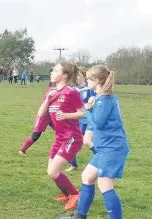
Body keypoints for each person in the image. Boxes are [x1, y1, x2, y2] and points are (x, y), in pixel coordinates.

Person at [60, 65, 129, 219]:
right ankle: (80, 216)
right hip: (106, 148)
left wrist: (86, 111)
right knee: (87, 176)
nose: (87, 81)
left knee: (104, 185)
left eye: (89, 79)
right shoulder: (103, 97)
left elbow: (98, 123)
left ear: (97, 80)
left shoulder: (103, 99)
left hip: (112, 148)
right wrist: (90, 108)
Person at [37, 61, 85, 210]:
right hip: (59, 137)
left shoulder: (70, 92)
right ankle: (67, 194)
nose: (51, 72)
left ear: (64, 75)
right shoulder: (52, 92)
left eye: (55, 70)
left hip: (72, 137)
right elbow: (41, 115)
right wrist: (47, 98)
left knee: (53, 171)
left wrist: (66, 115)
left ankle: (75, 194)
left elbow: (83, 113)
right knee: (51, 171)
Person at [65, 68, 97, 172]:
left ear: (84, 76)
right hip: (78, 120)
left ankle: (101, 158)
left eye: (78, 76)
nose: (76, 78)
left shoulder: (90, 90)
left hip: (89, 120)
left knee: (87, 141)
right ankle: (73, 165)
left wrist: (89, 105)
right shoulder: (73, 90)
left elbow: (93, 103)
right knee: (71, 140)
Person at [18, 81, 55, 156]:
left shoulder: (58, 89)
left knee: (61, 132)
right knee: (35, 136)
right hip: (43, 116)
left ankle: (58, 152)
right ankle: (22, 150)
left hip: (52, 115)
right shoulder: (52, 90)